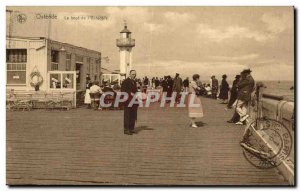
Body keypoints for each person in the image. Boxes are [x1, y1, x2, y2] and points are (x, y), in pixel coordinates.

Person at [121, 70, 138, 135]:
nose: (134, 75)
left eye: (135, 74)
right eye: (133, 74)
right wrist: (130, 93)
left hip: (133, 100)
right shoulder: (125, 81)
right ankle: (126, 129)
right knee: (127, 115)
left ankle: (131, 128)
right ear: (130, 74)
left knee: (133, 114)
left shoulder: (134, 82)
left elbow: (135, 90)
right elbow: (123, 90)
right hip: (127, 100)